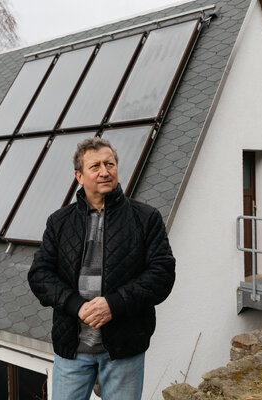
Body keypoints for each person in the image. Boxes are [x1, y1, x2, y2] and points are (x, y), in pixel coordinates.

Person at [28, 137, 175, 399]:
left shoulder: (145, 218)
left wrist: (114, 304)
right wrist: (77, 305)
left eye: (110, 164)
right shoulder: (59, 222)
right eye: (95, 166)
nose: (105, 171)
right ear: (79, 176)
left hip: (123, 348)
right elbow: (40, 276)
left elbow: (161, 275)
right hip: (72, 348)